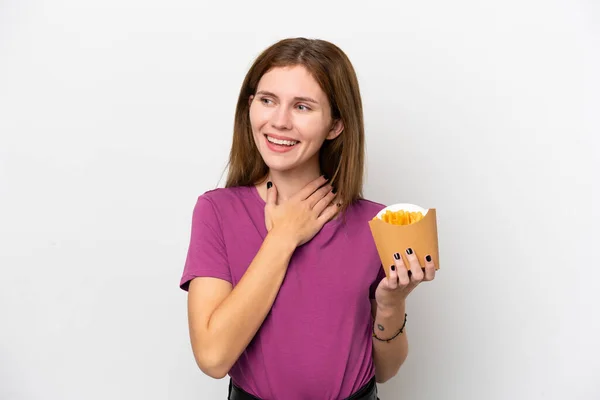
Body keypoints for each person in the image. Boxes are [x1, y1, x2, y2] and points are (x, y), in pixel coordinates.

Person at [179, 37, 437, 400]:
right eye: (267, 100)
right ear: (250, 106)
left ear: (335, 125)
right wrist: (282, 238)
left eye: (302, 106)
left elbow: (386, 370)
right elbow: (213, 357)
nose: (279, 121)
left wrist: (392, 305)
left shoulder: (376, 223)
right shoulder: (217, 211)